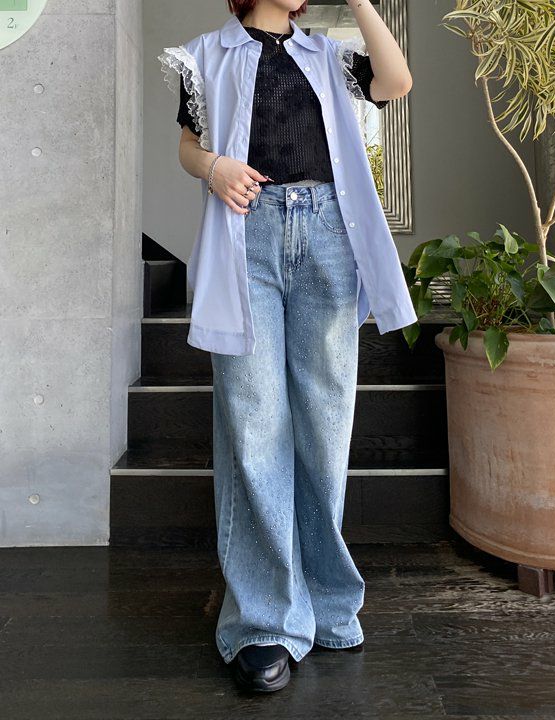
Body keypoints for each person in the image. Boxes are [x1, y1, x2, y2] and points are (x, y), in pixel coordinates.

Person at [158, 0, 414, 693]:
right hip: (249, 236)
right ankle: (263, 621)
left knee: (325, 425)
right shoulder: (203, 55)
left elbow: (396, 82)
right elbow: (187, 144)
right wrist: (214, 167)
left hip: (327, 237)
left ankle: (327, 602)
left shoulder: (329, 56)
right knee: (254, 423)